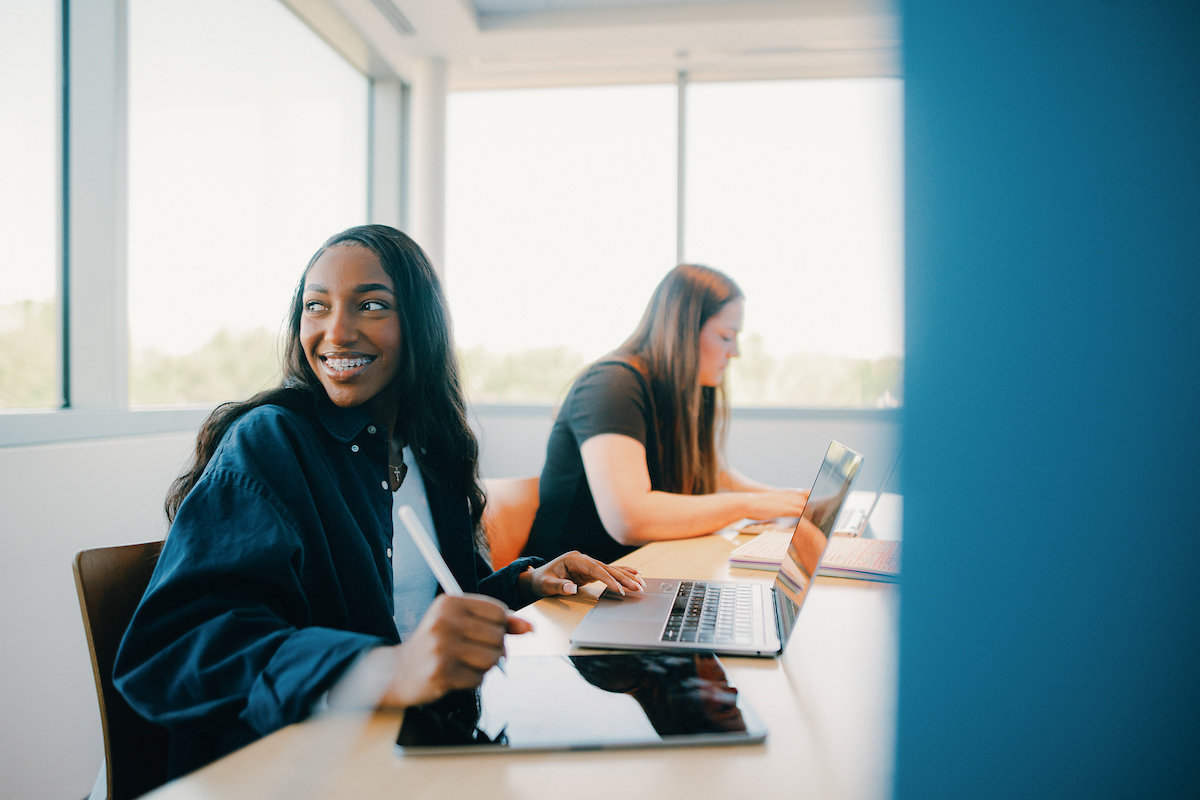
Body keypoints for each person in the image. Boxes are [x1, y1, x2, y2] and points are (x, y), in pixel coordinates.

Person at [113, 225, 643, 778]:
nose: (336, 332)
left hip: (410, 750)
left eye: (369, 305)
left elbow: (415, 611)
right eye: (316, 306)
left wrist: (521, 585)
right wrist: (384, 670)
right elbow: (179, 647)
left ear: (420, 324)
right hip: (292, 770)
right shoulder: (270, 444)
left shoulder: (434, 451)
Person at [523, 263, 809, 564]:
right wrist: (750, 505)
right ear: (682, 332)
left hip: (638, 571)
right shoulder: (612, 386)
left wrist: (789, 501)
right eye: (726, 336)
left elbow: (716, 475)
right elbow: (629, 519)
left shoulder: (683, 390)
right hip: (569, 592)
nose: (735, 351)